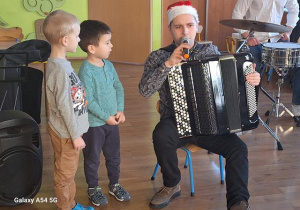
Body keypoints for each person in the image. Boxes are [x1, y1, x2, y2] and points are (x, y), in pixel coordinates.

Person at [139, 1, 261, 210]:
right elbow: (145, 90)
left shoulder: (210, 51)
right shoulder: (158, 56)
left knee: (238, 149)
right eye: (178, 26)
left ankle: (238, 201)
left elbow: (232, 79)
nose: (184, 31)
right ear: (170, 29)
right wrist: (168, 64)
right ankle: (171, 184)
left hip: (210, 124)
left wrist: (251, 79)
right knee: (161, 134)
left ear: (197, 28)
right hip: (175, 121)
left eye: (189, 25)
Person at [43, 10, 94, 210]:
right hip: (66, 134)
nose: (79, 39)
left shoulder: (62, 65)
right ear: (65, 40)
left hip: (68, 132)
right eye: (77, 35)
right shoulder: (60, 71)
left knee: (68, 171)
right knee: (65, 175)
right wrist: (75, 136)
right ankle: (67, 207)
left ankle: (70, 204)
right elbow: (65, 108)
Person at [78, 20, 131, 207]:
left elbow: (118, 87)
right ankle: (93, 188)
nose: (111, 45)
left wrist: (120, 110)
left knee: (114, 155)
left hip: (112, 122)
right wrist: (105, 117)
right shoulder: (85, 71)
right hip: (94, 125)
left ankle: (114, 184)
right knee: (92, 158)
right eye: (107, 42)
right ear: (92, 48)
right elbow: (88, 100)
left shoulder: (109, 65)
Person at [232, 0, 300, 122]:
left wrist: (288, 30)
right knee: (251, 69)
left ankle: (297, 108)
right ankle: (249, 111)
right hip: (255, 40)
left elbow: (294, 9)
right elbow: (237, 14)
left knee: (298, 63)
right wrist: (247, 36)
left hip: (275, 39)